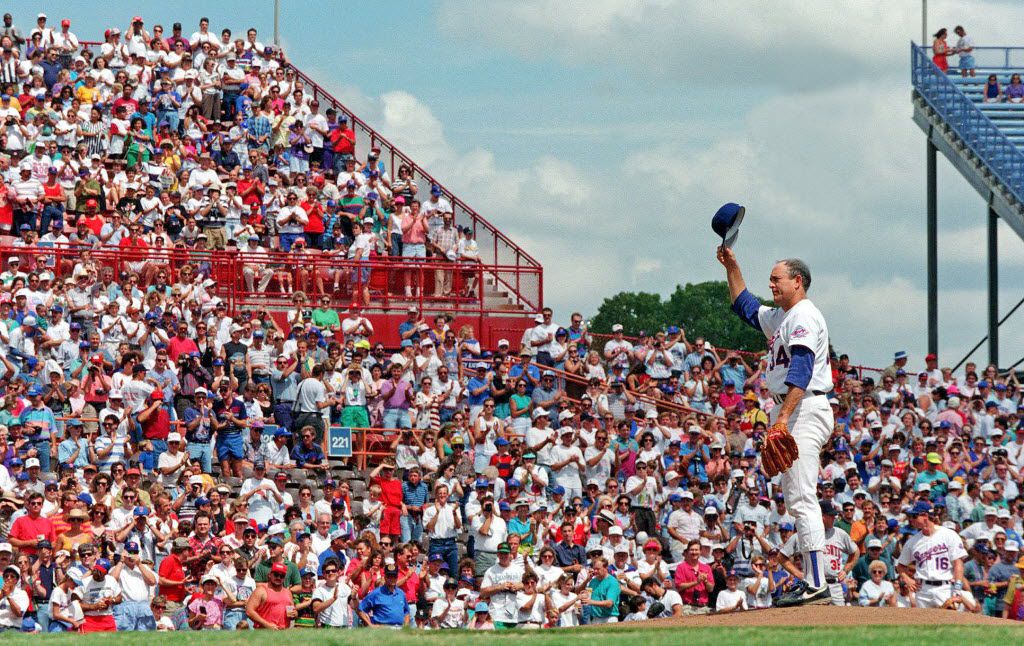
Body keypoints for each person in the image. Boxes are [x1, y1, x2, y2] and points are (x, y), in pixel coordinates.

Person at [719, 246, 834, 606]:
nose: (770, 285)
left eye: (776, 279)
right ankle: (813, 579)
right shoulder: (783, 317)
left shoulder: (804, 315)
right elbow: (744, 305)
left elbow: (801, 367)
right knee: (797, 497)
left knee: (801, 498)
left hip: (803, 406)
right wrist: (732, 266)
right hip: (794, 407)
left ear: (797, 282)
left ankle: (817, 582)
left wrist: (783, 418)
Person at [896, 501, 967, 609]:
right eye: (910, 516)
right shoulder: (912, 541)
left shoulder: (949, 535)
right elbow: (900, 566)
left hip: (945, 588)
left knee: (949, 623)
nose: (911, 519)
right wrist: (907, 579)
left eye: (914, 516)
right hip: (923, 589)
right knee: (924, 624)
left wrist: (957, 588)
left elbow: (958, 563)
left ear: (925, 515)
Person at [245, 561, 296, 629]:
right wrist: (266, 624)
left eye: (282, 576)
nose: (278, 577)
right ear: (269, 575)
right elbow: (249, 611)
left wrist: (295, 614)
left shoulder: (288, 592)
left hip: (283, 632)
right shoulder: (261, 590)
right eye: (276, 574)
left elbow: (292, 612)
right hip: (264, 632)